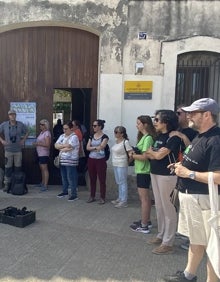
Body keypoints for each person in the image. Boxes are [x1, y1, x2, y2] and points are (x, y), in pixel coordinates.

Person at [163, 98, 220, 282]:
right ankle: (189, 275)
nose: (188, 116)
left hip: (205, 201)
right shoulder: (200, 135)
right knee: (197, 240)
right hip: (192, 198)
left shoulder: (216, 139)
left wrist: (189, 173)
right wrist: (182, 165)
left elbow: (218, 176)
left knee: (212, 246)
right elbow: (197, 163)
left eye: (193, 113)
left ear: (207, 115)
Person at [146, 110, 182, 254]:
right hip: (155, 173)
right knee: (159, 207)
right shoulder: (159, 136)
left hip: (167, 176)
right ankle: (161, 235)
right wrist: (154, 153)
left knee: (168, 208)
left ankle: (168, 242)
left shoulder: (173, 137)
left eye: (157, 120)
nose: (154, 122)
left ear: (165, 122)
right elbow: (149, 152)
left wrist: (154, 153)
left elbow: (159, 155)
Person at [129, 115, 156, 233]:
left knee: (144, 198)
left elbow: (145, 156)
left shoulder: (148, 138)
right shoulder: (143, 137)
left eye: (138, 123)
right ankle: (146, 220)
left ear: (145, 124)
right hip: (141, 170)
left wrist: (132, 155)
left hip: (144, 171)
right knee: (144, 198)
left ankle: (144, 225)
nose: (137, 125)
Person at [0, 109, 29, 192]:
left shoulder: (20, 125)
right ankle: (7, 185)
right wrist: (2, 141)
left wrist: (23, 139)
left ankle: (16, 184)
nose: (12, 116)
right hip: (8, 150)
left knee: (18, 168)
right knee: (7, 168)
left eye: (13, 114)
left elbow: (27, 131)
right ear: (8, 116)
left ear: (16, 115)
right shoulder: (4, 125)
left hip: (18, 151)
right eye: (10, 115)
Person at [55, 121, 79, 201]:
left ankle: (74, 194)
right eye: (63, 129)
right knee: (64, 177)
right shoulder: (62, 136)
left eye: (66, 129)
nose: (64, 130)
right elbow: (56, 145)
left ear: (71, 128)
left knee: (71, 177)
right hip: (62, 160)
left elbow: (70, 147)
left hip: (71, 161)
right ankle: (65, 192)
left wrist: (61, 147)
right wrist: (63, 147)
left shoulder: (74, 137)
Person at [86, 119, 109, 204]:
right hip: (91, 159)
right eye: (93, 125)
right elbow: (87, 147)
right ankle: (92, 196)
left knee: (102, 179)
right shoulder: (91, 136)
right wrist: (96, 148)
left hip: (100, 160)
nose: (93, 127)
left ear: (100, 127)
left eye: (95, 126)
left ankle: (102, 197)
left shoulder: (105, 137)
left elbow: (102, 146)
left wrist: (94, 148)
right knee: (92, 178)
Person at [111, 126, 132, 208]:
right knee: (118, 181)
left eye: (117, 132)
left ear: (122, 133)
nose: (115, 133)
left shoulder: (125, 142)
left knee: (122, 182)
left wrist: (128, 162)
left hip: (122, 163)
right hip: (115, 163)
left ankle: (124, 200)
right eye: (115, 132)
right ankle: (120, 198)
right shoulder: (116, 141)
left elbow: (130, 153)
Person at [33, 119, 51, 192]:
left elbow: (48, 145)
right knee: (42, 169)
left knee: (45, 169)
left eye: (42, 124)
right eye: (40, 124)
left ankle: (45, 185)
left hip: (44, 154)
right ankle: (43, 183)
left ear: (46, 125)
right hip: (40, 153)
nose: (40, 125)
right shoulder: (41, 133)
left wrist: (37, 144)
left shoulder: (47, 133)